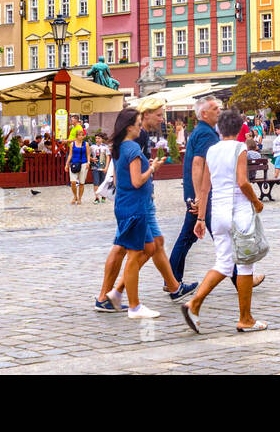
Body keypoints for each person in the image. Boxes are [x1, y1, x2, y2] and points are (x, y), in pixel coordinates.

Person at [181, 108, 267, 334]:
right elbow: (242, 182)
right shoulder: (239, 148)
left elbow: (205, 187)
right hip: (238, 211)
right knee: (245, 264)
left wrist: (201, 218)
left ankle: (195, 303)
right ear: (240, 129)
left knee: (223, 263)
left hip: (217, 213)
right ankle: (245, 318)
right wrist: (256, 202)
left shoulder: (211, 151)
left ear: (219, 128)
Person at [105, 108, 165, 319]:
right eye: (139, 124)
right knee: (133, 255)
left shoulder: (122, 147)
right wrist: (152, 168)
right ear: (129, 127)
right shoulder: (133, 149)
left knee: (149, 247)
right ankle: (134, 307)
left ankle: (117, 291)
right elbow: (137, 181)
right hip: (134, 206)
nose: (141, 128)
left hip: (128, 204)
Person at [169, 98, 223, 284]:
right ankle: (242, 276)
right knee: (222, 238)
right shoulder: (206, 134)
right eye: (215, 108)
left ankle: (172, 280)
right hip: (201, 195)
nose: (219, 110)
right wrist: (201, 197)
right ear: (204, 114)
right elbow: (198, 165)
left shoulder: (201, 131)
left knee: (188, 237)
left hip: (196, 194)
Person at [68, 131, 88, 205]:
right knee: (73, 182)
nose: (81, 137)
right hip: (74, 163)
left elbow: (88, 154)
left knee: (81, 183)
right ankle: (75, 196)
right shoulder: (72, 144)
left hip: (83, 163)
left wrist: (88, 162)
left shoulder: (86, 144)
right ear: (76, 136)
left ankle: (79, 198)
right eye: (79, 135)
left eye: (82, 135)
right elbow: (70, 155)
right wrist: (67, 164)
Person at [89, 136, 109, 202]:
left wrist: (106, 167)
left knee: (103, 182)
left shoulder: (105, 147)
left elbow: (108, 157)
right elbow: (87, 155)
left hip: (103, 167)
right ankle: (97, 197)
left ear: (102, 139)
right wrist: (92, 159)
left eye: (99, 138)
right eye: (96, 138)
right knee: (96, 182)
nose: (97, 140)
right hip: (95, 167)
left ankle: (103, 197)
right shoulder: (92, 147)